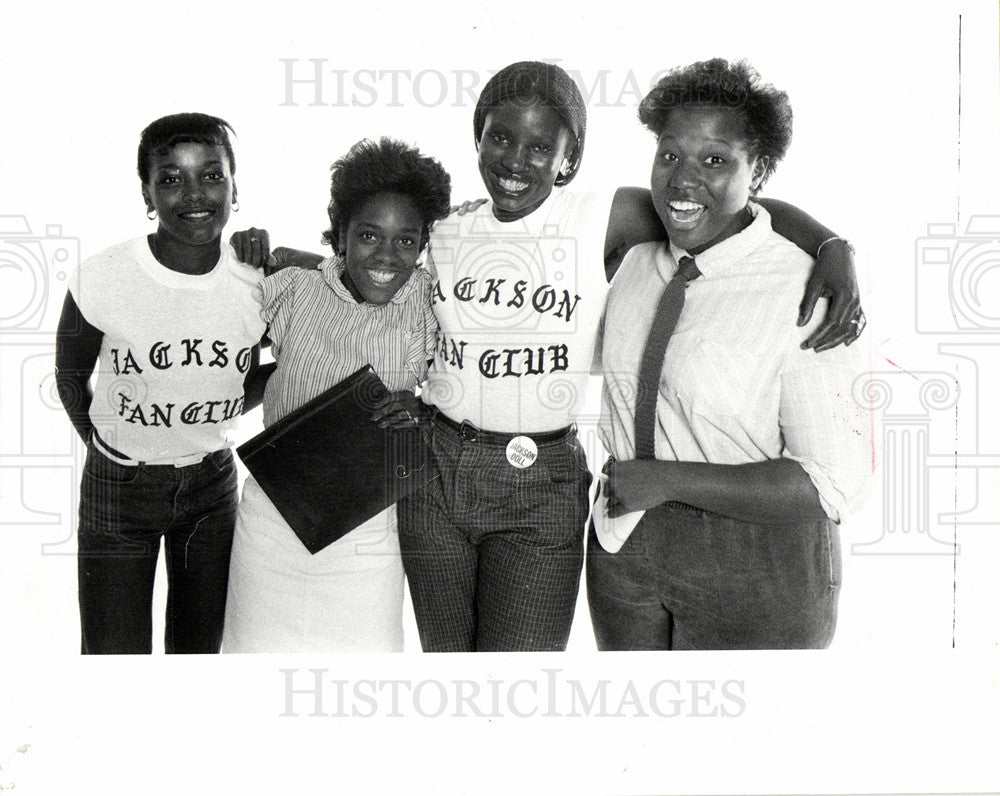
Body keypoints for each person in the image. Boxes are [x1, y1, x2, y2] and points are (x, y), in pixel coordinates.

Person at [235, 60, 864, 652]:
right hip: (436, 466)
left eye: (542, 147)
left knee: (518, 684)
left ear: (571, 160)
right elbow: (373, 267)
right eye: (500, 139)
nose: (516, 160)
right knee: (452, 672)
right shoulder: (447, 229)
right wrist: (288, 260)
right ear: (476, 139)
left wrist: (834, 245)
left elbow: (727, 206)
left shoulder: (598, 218)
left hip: (541, 483)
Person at [587, 58, 871, 650]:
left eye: (714, 160)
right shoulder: (635, 259)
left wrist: (664, 480)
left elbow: (831, 486)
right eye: (670, 155)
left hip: (756, 571)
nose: (683, 180)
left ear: (759, 168)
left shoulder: (806, 293)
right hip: (623, 551)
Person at [221, 137, 451, 653]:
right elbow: (217, 371)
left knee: (364, 679)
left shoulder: (426, 302)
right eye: (369, 235)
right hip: (272, 522)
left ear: (423, 244)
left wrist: (420, 407)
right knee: (252, 669)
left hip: (368, 530)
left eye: (406, 241)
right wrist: (239, 253)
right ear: (340, 232)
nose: (387, 256)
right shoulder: (291, 287)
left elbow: (460, 388)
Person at [54, 113, 267, 654]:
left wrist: (216, 409)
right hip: (118, 489)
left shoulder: (259, 280)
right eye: (171, 178)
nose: (195, 193)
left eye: (212, 175)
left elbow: (276, 364)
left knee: (197, 656)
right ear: (147, 192)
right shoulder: (103, 277)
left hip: (211, 488)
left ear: (235, 186)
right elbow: (69, 375)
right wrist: (109, 451)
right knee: (113, 658)